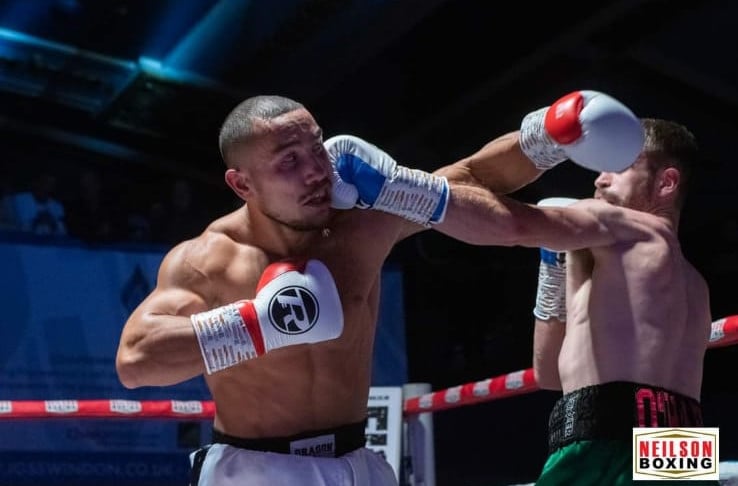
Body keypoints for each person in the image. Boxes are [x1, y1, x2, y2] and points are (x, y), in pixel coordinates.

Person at [115, 91, 643, 485]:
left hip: (357, 463)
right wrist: (258, 324)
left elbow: (471, 177)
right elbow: (136, 360)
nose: (316, 170)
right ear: (242, 184)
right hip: (257, 469)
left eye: (316, 147)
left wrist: (550, 136)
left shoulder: (359, 225)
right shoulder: (208, 261)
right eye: (288, 161)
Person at [434, 117, 714, 485]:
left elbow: (511, 226)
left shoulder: (622, 225)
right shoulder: (695, 284)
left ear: (666, 182)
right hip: (684, 448)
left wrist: (404, 191)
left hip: (608, 445)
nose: (600, 180)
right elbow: (550, 373)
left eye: (617, 168)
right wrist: (554, 264)